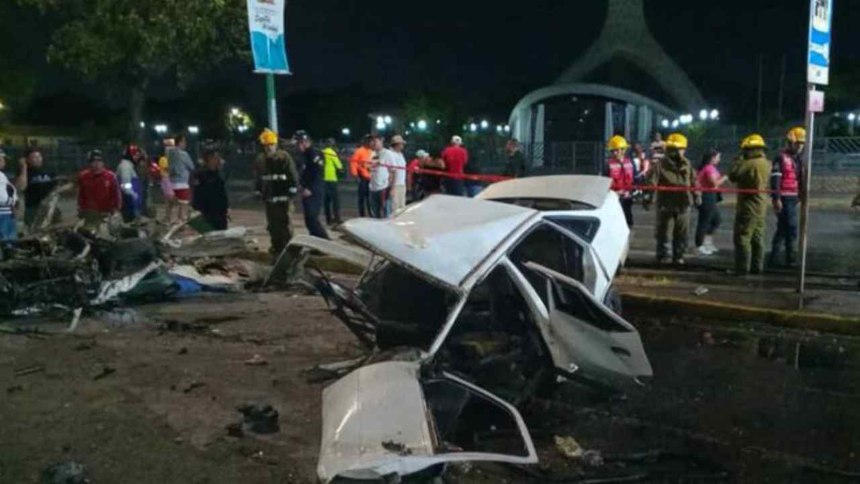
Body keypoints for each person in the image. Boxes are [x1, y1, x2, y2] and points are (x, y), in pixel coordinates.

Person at [644, 133, 698, 265]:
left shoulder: (687, 164)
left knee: (682, 233)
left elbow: (694, 181)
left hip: (683, 204)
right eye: (677, 149)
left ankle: (678, 257)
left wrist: (697, 195)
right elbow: (651, 183)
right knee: (664, 233)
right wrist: (649, 199)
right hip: (666, 204)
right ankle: (663, 257)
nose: (679, 152)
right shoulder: (660, 165)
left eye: (681, 149)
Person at [728, 134, 772, 275]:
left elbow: (733, 175)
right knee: (758, 238)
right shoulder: (767, 163)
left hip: (748, 205)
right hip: (761, 205)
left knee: (742, 237)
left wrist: (738, 160)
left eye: (745, 150)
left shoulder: (748, 164)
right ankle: (757, 266)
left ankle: (741, 268)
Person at [255, 129, 300, 256]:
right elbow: (259, 177)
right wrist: (258, 190)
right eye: (266, 145)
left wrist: (292, 190)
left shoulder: (284, 157)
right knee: (273, 226)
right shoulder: (260, 160)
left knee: (285, 225)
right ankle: (276, 248)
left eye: (271, 145)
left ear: (275, 144)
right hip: (269, 199)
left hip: (284, 199)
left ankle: (289, 250)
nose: (269, 148)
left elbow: (292, 175)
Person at [768, 127, 806, 267]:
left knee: (783, 228)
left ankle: (775, 257)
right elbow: (775, 179)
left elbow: (800, 178)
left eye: (802, 144)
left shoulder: (798, 159)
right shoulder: (781, 157)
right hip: (784, 197)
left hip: (793, 197)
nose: (800, 147)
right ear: (790, 142)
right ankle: (789, 257)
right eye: (798, 143)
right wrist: (776, 198)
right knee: (791, 227)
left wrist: (801, 195)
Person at [294, 131, 329, 239]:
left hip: (314, 190)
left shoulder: (313, 154)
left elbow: (317, 172)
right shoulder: (305, 155)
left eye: (299, 143)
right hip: (307, 189)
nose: (297, 146)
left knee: (312, 218)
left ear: (305, 142)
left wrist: (309, 188)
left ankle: (325, 241)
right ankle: (316, 242)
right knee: (309, 220)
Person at [77, 150, 121, 234]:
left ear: (103, 163)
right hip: (89, 215)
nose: (97, 164)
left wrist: (116, 210)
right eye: (94, 161)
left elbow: (116, 195)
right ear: (90, 163)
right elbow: (81, 195)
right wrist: (81, 208)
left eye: (99, 161)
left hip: (106, 214)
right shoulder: (83, 177)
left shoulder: (110, 176)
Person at [695, 148, 727, 256]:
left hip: (711, 196)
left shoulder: (711, 168)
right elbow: (714, 184)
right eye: (718, 157)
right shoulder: (708, 168)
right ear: (712, 158)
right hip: (706, 196)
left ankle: (707, 242)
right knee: (704, 222)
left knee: (716, 220)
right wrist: (725, 178)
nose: (719, 159)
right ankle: (699, 245)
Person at [16, 148, 59, 228]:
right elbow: (21, 187)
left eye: (39, 156)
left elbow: (56, 187)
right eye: (34, 157)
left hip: (50, 207)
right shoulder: (25, 172)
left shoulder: (49, 170)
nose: (38, 159)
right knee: (34, 232)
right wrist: (24, 167)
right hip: (33, 208)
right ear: (27, 160)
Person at [192, 149, 229, 231]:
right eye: (214, 158)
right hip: (206, 211)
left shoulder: (219, 174)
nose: (217, 161)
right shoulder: (200, 175)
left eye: (218, 158)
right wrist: (197, 208)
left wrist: (226, 208)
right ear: (208, 160)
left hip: (220, 212)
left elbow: (222, 192)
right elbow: (197, 193)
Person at [604, 135, 637, 227]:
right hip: (614, 196)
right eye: (615, 150)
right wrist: (613, 193)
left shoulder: (630, 162)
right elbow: (605, 181)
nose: (618, 152)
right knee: (614, 220)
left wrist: (631, 191)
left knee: (627, 218)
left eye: (620, 150)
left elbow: (635, 178)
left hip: (627, 195)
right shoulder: (608, 165)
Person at [167, 134, 195, 223]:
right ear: (180, 142)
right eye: (184, 141)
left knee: (172, 204)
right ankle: (181, 222)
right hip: (182, 182)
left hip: (172, 182)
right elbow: (191, 166)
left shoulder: (169, 153)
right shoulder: (183, 154)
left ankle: (170, 220)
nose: (185, 144)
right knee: (184, 204)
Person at [117, 144, 144, 222]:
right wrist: (133, 194)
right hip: (128, 203)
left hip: (131, 202)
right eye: (136, 155)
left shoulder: (128, 165)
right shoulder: (125, 166)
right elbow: (125, 185)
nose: (138, 157)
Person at [349, 135, 374, 217]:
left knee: (369, 198)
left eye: (372, 141)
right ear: (365, 141)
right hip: (362, 177)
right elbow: (353, 163)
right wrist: (355, 175)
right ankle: (362, 215)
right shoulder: (359, 151)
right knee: (362, 198)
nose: (371, 142)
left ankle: (371, 214)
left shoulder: (371, 152)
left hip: (370, 178)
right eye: (369, 140)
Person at [322, 139, 344, 225]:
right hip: (332, 178)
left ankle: (328, 219)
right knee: (335, 200)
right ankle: (337, 218)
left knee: (326, 201)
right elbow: (338, 165)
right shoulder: (331, 152)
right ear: (332, 145)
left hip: (323, 178)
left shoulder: (322, 152)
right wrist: (341, 168)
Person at [367, 135, 390, 218]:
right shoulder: (372, 154)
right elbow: (369, 168)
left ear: (381, 141)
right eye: (371, 141)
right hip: (373, 188)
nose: (372, 143)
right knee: (375, 213)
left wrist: (391, 188)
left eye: (375, 141)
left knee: (385, 213)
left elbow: (393, 171)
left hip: (383, 188)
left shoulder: (387, 153)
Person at [383, 135, 408, 212]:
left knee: (401, 207)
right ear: (397, 144)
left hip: (401, 184)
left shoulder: (400, 154)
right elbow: (392, 171)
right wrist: (392, 187)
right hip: (395, 185)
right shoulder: (390, 154)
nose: (403, 145)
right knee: (394, 208)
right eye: (401, 144)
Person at [0, 149, 18, 241]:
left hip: (7, 212)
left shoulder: (2, 175)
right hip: (2, 213)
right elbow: (2, 197)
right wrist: (11, 201)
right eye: (3, 159)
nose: (4, 161)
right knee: (6, 242)